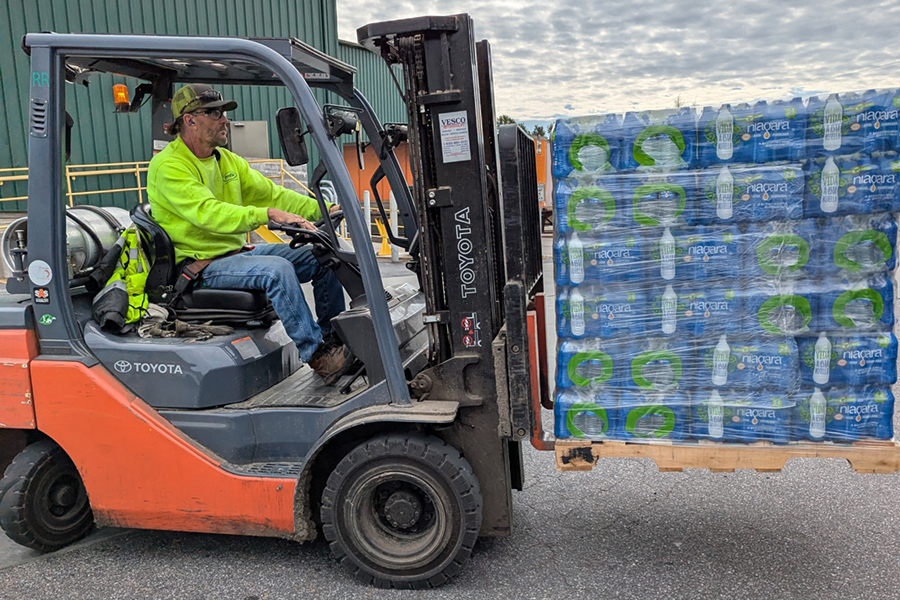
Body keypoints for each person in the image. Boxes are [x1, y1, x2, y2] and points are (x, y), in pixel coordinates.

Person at [146, 84, 353, 385]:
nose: (224, 120)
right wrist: (265, 215)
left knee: (323, 253)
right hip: (201, 265)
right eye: (214, 113)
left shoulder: (226, 161)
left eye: (224, 113)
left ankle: (335, 341)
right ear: (189, 119)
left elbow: (272, 194)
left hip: (235, 255)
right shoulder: (169, 166)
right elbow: (209, 213)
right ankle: (318, 355)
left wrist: (321, 210)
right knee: (277, 270)